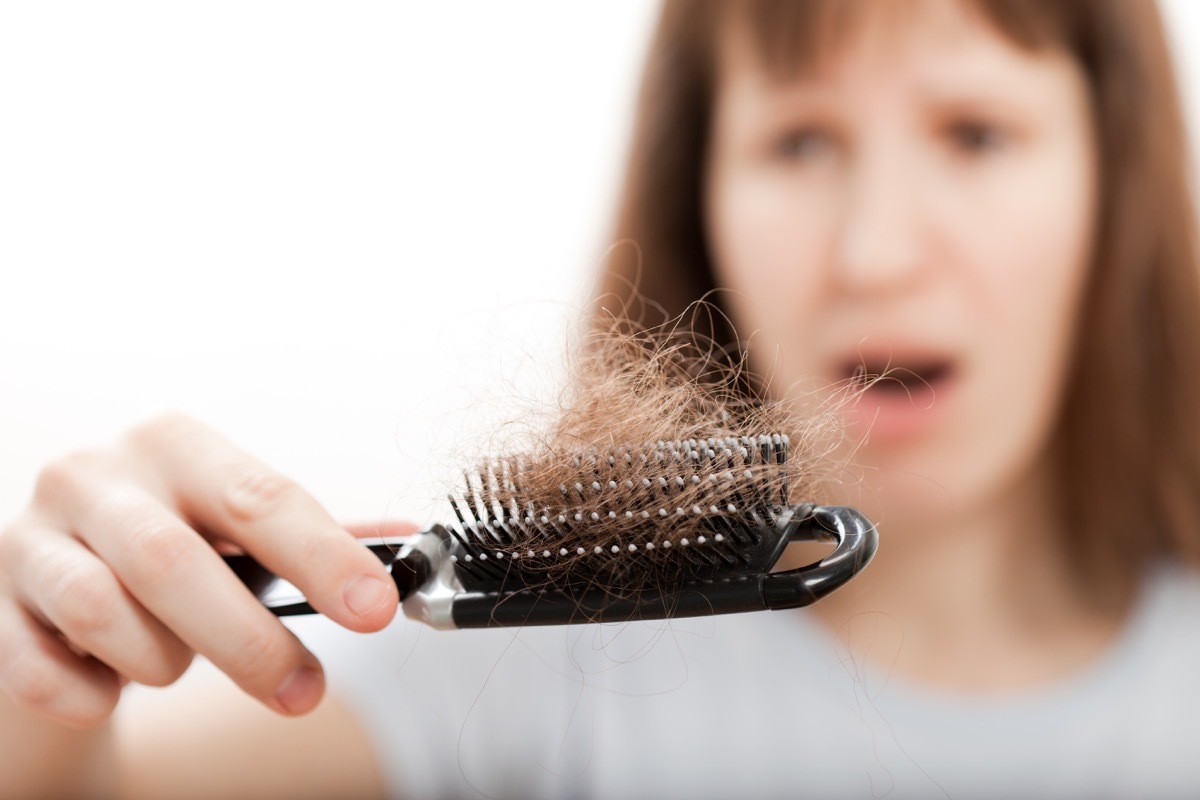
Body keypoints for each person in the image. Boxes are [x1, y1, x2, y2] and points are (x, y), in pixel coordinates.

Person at [4, 0, 1200, 797]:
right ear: (702, 203)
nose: (878, 251)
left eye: (977, 132)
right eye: (797, 141)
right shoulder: (529, 665)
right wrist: (44, 679)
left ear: (1115, 182)